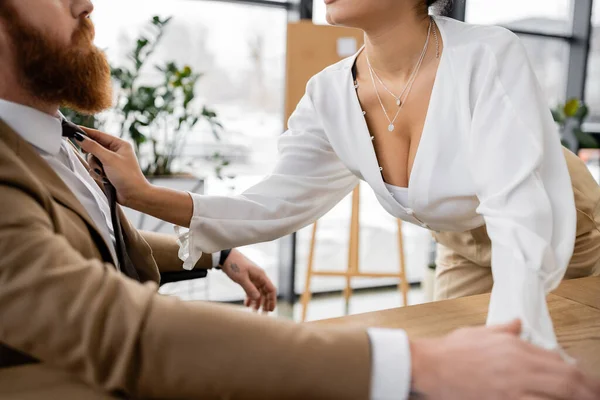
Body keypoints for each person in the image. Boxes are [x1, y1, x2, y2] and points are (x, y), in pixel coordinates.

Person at [2, 1, 599, 399]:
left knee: (549, 367)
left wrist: (522, 345)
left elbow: (524, 221)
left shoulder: (488, 55)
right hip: (461, 241)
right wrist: (147, 195)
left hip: (563, 225)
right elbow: (274, 204)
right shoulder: (329, 95)